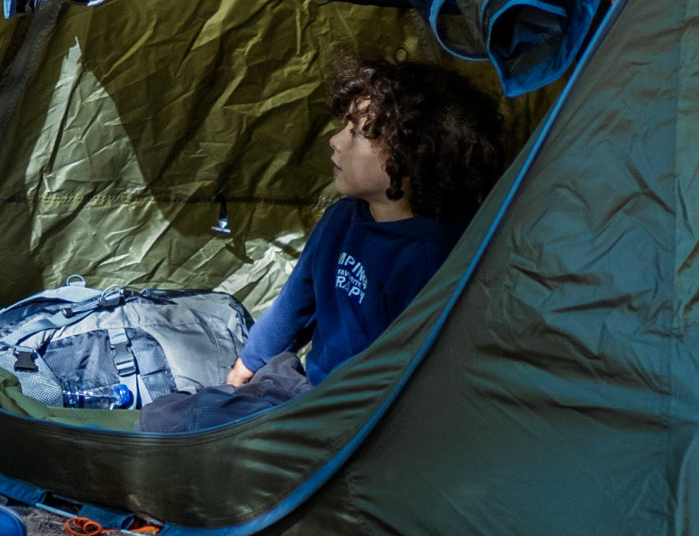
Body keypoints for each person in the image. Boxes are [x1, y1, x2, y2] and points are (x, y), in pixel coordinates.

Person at [138, 55, 505, 436]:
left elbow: (411, 383)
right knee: (169, 415)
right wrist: (240, 375)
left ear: (415, 154)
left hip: (359, 419)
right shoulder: (342, 218)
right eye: (344, 125)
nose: (335, 140)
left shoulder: (429, 259)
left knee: (181, 425)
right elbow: (293, 308)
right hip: (306, 390)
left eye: (358, 133)